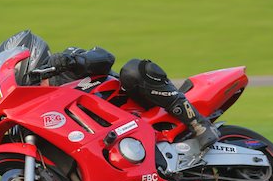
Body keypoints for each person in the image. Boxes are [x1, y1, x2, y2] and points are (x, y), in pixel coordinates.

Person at [47, 46, 220, 151]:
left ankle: (198, 123)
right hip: (106, 142)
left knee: (133, 70)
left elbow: (105, 57)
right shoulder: (41, 108)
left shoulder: (63, 64)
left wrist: (73, 60)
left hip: (133, 105)